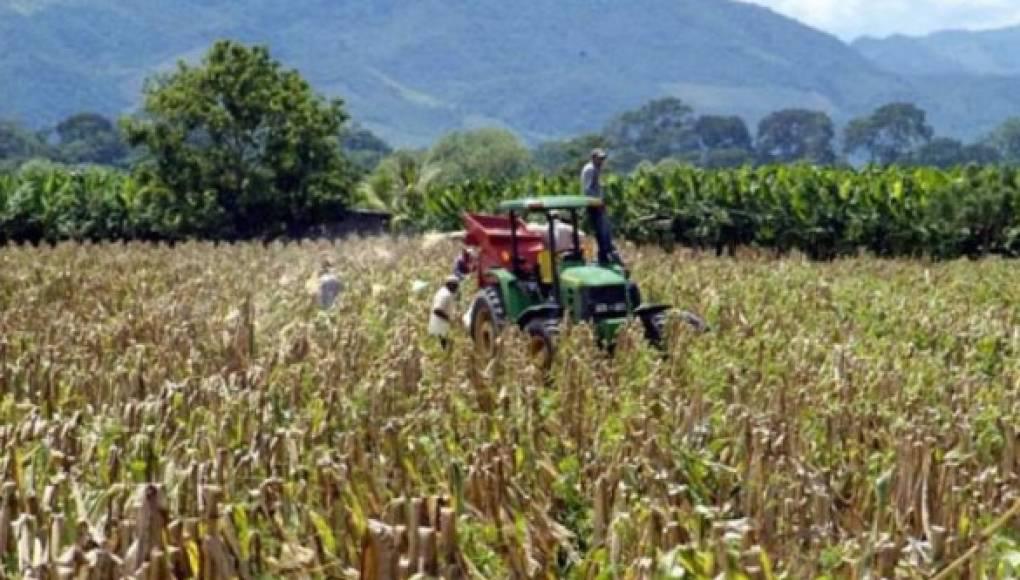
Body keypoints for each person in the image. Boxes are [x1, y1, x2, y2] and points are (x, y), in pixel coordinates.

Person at [581, 148, 622, 265]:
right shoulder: (590, 169)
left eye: (602, 158)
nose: (601, 161)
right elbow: (587, 189)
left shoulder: (596, 169)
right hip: (594, 205)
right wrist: (598, 202)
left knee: (604, 230)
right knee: (602, 230)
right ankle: (604, 255)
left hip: (597, 204)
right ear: (593, 158)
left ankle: (605, 254)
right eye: (599, 158)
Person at [429, 276, 460, 350]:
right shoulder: (445, 295)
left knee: (446, 347)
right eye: (455, 286)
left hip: (441, 326)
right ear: (450, 285)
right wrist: (449, 319)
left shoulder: (445, 292)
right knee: (444, 348)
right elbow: (437, 310)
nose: (456, 288)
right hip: (440, 326)